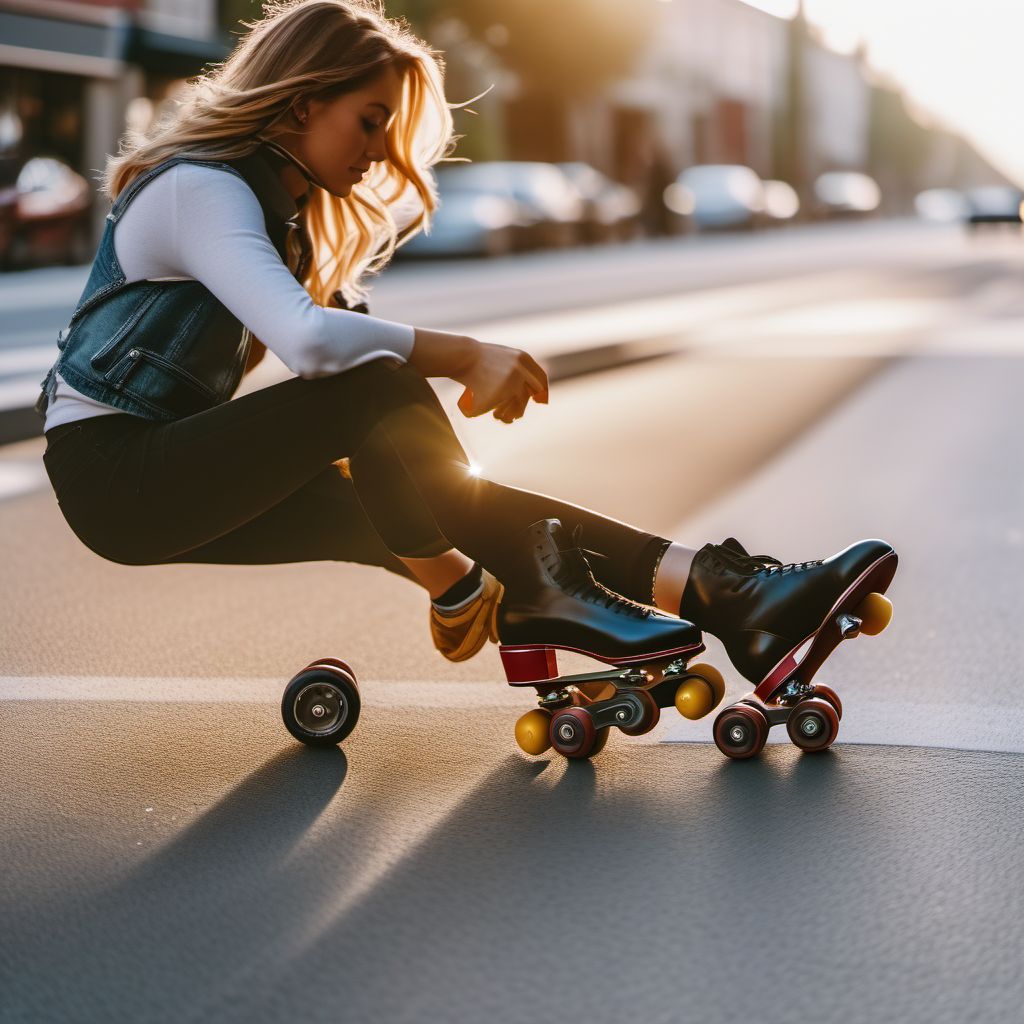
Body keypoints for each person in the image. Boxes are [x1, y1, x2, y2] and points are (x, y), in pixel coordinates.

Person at [37, 0, 894, 694]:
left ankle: (715, 592)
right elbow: (315, 345)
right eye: (368, 123)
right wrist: (462, 352)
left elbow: (357, 383)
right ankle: (570, 595)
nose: (379, 155)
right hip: (119, 477)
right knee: (376, 384)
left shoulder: (277, 215)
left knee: (433, 485)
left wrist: (454, 569)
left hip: (170, 474)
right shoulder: (199, 189)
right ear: (303, 102)